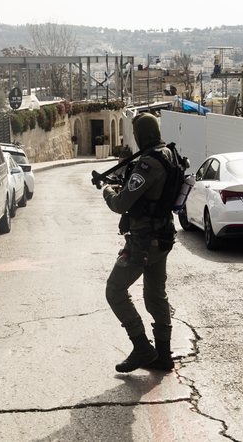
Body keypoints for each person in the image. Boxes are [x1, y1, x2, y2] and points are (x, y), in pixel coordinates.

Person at [102, 113, 179, 373]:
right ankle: (164, 355)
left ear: (141, 135)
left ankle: (142, 346)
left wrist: (108, 191)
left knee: (115, 290)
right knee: (155, 295)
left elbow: (120, 204)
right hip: (163, 237)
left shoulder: (148, 163)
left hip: (144, 241)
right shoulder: (169, 154)